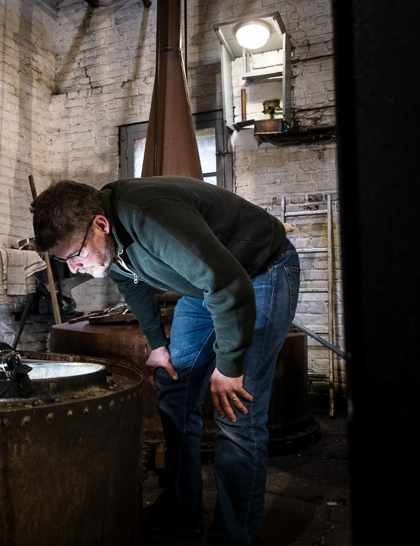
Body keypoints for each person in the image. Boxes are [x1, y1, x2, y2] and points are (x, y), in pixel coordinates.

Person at [32, 177, 300, 546]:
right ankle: (181, 511)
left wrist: (229, 366)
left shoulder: (148, 217)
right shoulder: (107, 238)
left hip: (258, 272)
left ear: (101, 224)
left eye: (75, 256)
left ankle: (233, 537)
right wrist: (158, 345)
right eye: (65, 262)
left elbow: (228, 286)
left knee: (237, 411)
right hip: (209, 283)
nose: (74, 269)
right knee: (175, 390)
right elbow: (130, 282)